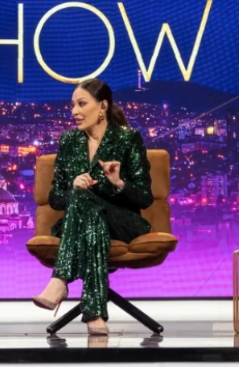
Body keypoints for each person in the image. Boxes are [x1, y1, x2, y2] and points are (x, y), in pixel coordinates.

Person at [31, 78, 153, 335]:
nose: (74, 111)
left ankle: (60, 280)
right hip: (83, 223)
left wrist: (118, 182)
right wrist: (73, 186)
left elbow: (144, 198)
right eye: (72, 105)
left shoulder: (128, 139)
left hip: (123, 222)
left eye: (81, 104)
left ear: (103, 106)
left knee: (85, 205)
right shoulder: (69, 141)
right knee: (87, 212)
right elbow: (55, 199)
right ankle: (94, 313)